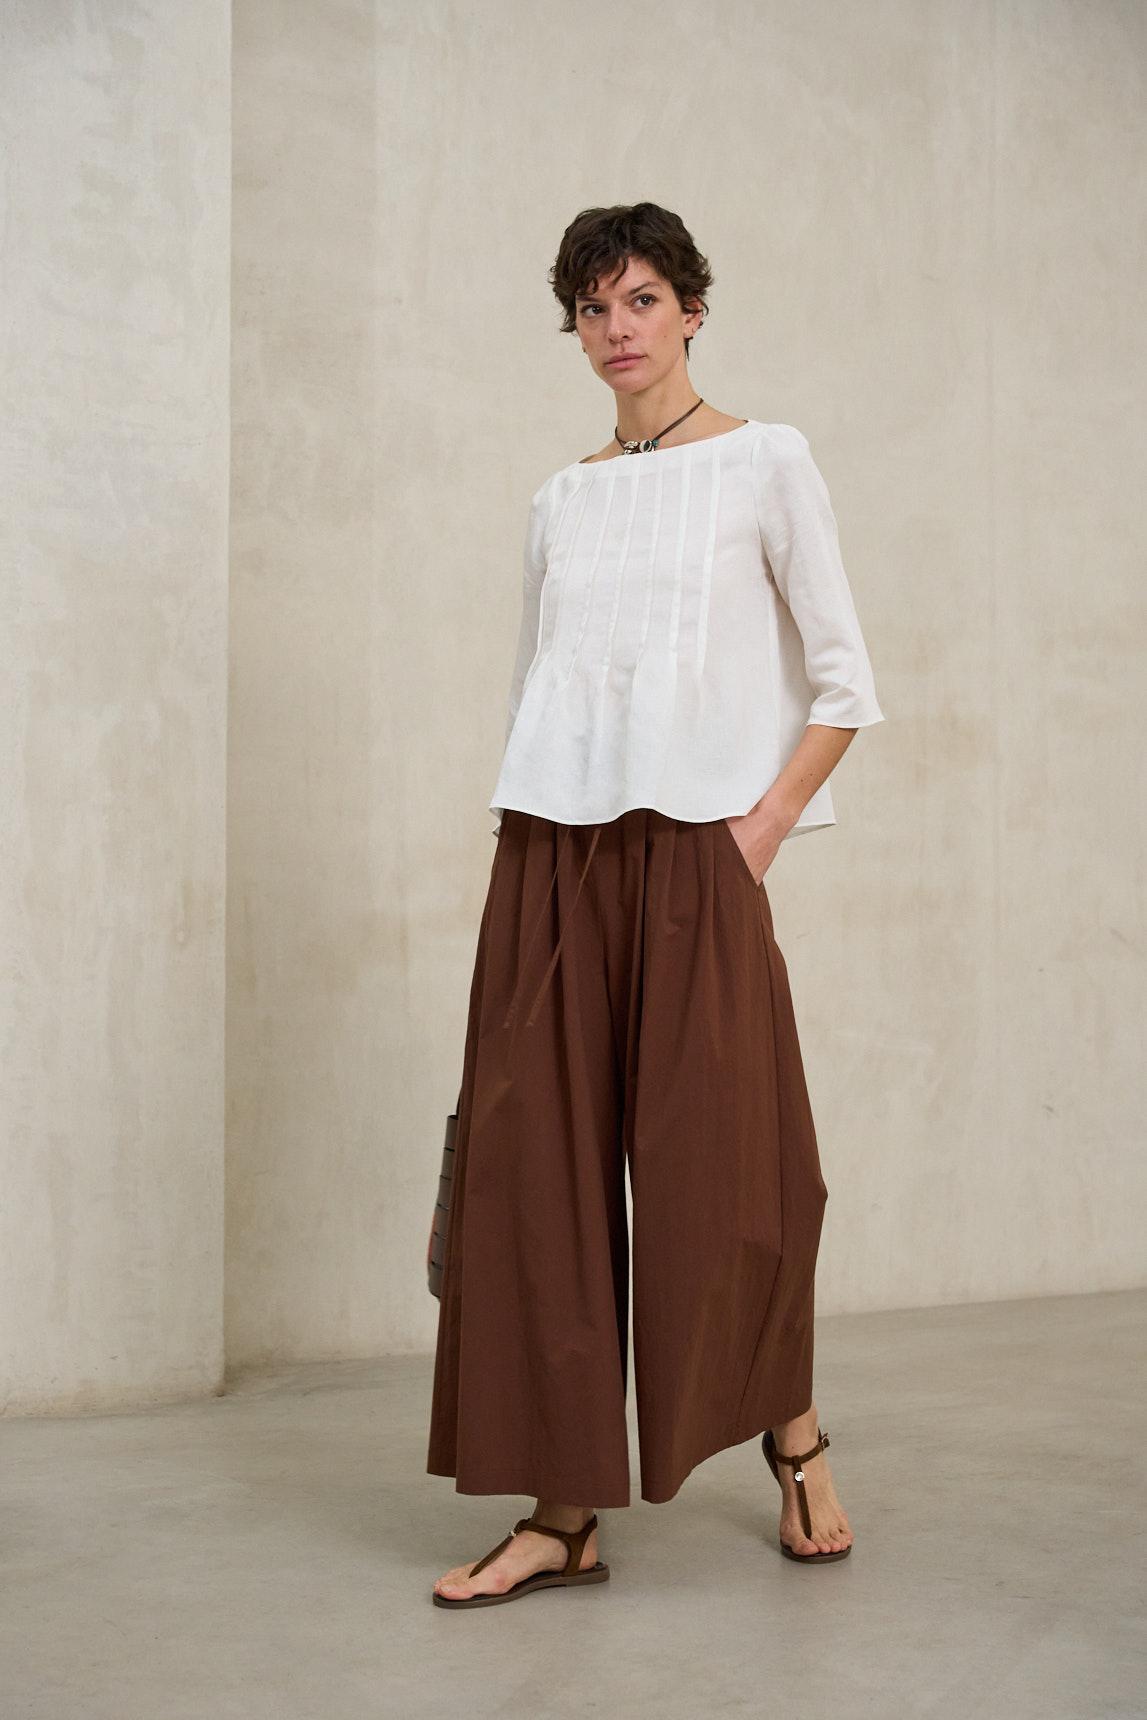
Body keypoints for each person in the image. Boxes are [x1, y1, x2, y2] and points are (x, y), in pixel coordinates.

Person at [426, 201, 884, 1608]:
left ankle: (795, 1438)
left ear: (691, 309)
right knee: (536, 1183)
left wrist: (754, 835)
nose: (617, 329)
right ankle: (562, 1516)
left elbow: (845, 682)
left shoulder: (764, 462)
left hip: (695, 857)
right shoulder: (560, 501)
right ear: (574, 330)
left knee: (729, 1176)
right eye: (592, 308)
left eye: (640, 300)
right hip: (549, 860)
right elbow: (535, 687)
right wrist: (519, 857)